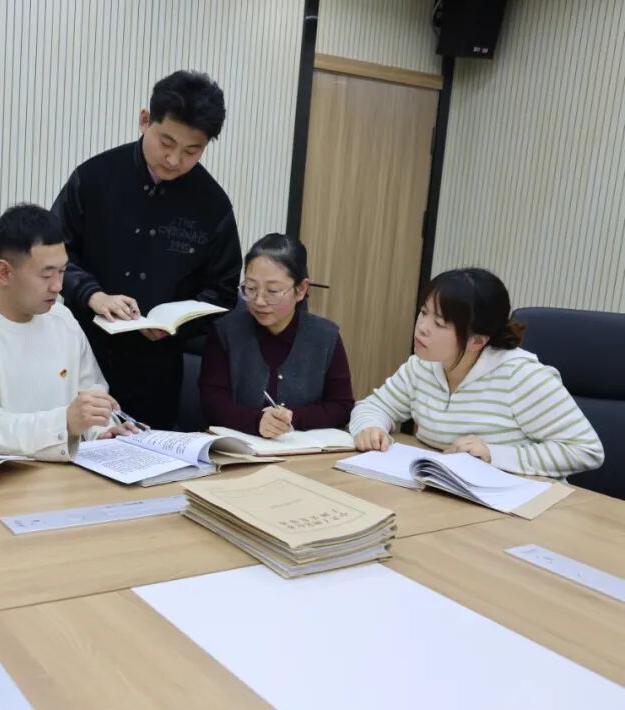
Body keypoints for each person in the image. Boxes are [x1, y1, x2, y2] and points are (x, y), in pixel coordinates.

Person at [52, 69, 241, 429]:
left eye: (192, 151)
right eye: (166, 142)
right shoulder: (94, 178)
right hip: (82, 352)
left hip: (157, 370)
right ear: (144, 120)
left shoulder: (213, 205)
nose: (174, 160)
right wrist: (93, 295)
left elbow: (223, 290)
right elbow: (55, 254)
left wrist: (178, 326)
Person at [349, 268, 604, 478]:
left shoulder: (522, 377)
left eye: (439, 323)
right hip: (445, 489)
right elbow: (373, 406)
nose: (422, 327)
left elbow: (586, 450)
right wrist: (371, 428)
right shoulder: (422, 365)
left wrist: (494, 454)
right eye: (424, 312)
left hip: (513, 502)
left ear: (477, 341)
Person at [0, 203, 137, 461]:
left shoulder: (62, 318)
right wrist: (65, 422)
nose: (58, 286)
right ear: (4, 272)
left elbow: (91, 392)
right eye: (46, 275)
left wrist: (104, 431)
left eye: (62, 271)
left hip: (68, 469)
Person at [200, 233, 354, 437]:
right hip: (238, 449)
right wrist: (256, 421)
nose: (259, 301)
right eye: (251, 288)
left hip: (302, 451)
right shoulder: (225, 332)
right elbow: (212, 403)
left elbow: (342, 406)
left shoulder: (326, 337)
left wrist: (292, 418)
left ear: (301, 289)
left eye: (272, 291)